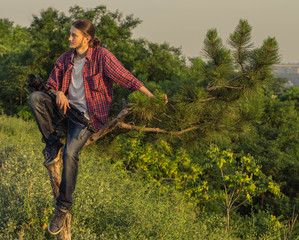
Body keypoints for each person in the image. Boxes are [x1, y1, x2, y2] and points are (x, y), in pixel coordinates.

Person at [29, 19, 156, 235]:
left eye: (74, 35)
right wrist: (58, 92)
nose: (69, 38)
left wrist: (151, 98)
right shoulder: (64, 59)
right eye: (70, 34)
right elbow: (50, 85)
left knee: (70, 153)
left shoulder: (102, 56)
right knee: (36, 98)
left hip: (87, 119)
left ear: (87, 39)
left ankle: (63, 207)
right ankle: (51, 144)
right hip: (65, 111)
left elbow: (127, 78)